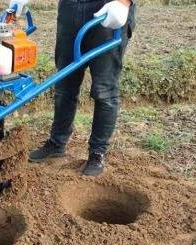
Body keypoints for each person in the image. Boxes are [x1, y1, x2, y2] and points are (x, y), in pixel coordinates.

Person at [8, 0, 136, 176]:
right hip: (70, 9)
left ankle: (97, 153)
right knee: (65, 84)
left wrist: (123, 2)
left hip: (108, 9)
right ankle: (57, 143)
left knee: (104, 90)